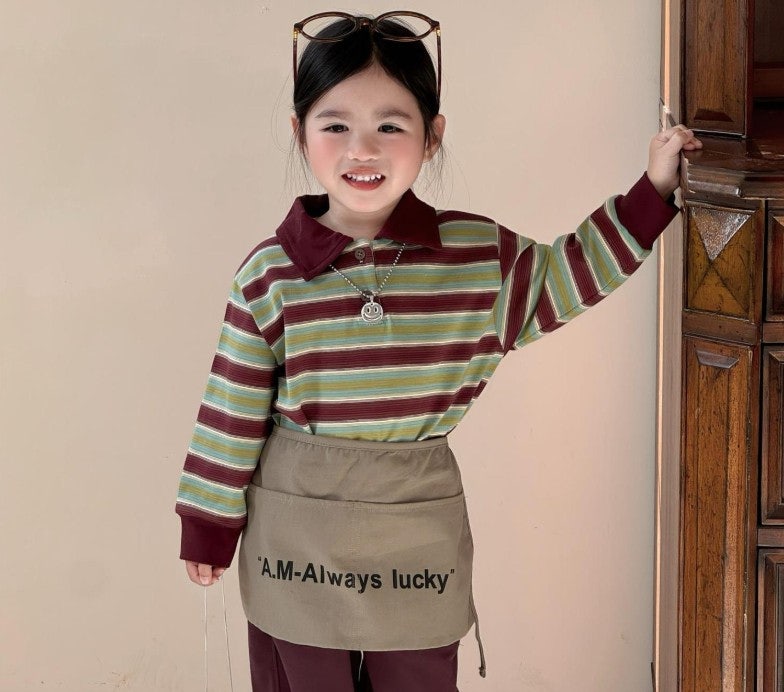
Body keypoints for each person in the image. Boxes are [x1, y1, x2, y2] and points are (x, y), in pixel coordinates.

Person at [175, 10, 702, 692]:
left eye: (390, 126)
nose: (363, 149)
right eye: (336, 126)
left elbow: (570, 274)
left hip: (414, 533)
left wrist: (653, 188)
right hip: (293, 533)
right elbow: (231, 407)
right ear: (300, 133)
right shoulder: (269, 275)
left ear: (432, 136)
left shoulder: (477, 260)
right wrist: (208, 523)